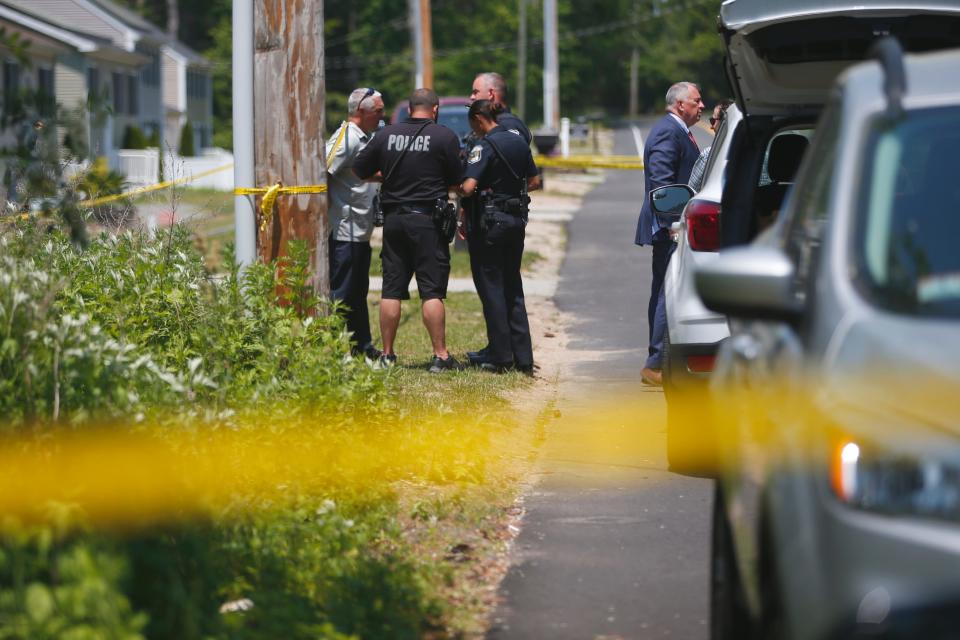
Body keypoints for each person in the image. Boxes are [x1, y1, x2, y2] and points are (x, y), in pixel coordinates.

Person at [353, 88, 464, 373]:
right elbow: (457, 180)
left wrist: (388, 176)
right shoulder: (444, 137)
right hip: (427, 221)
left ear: (410, 108)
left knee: (391, 289)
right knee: (431, 291)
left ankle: (387, 355)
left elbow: (360, 170)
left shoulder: (385, 135)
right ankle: (440, 356)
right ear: (435, 109)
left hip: (394, 221)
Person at [458, 100, 541, 375]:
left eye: (473, 124)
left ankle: (501, 356)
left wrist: (464, 186)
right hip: (516, 221)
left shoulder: (484, 146)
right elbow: (534, 182)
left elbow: (468, 188)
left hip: (490, 225)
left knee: (491, 287)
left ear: (479, 119)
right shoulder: (518, 142)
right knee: (513, 286)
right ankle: (524, 358)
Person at [633, 82, 704, 386]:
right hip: (670, 227)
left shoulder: (679, 130)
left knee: (663, 291)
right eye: (696, 101)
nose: (701, 106)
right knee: (666, 293)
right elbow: (662, 184)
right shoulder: (667, 131)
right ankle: (656, 364)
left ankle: (657, 359)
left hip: (672, 225)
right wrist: (673, 223)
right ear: (679, 105)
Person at [325, 87, 385, 360]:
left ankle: (362, 346)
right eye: (379, 111)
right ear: (362, 112)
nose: (382, 115)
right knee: (341, 294)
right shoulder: (347, 138)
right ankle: (334, 351)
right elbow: (322, 170)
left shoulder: (364, 137)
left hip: (360, 231)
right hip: (344, 229)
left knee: (358, 293)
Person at [469, 71, 532, 144]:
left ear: (491, 93)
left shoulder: (508, 125)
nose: (472, 97)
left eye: (475, 92)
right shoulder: (490, 123)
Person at [687, 99, 732, 191]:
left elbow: (692, 190)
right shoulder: (760, 155)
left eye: (713, 120)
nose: (711, 126)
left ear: (724, 123)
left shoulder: (708, 155)